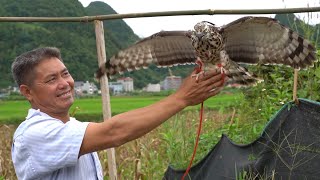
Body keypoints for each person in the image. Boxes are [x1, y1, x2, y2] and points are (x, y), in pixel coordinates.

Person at [11, 47, 225, 180]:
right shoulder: (33, 134)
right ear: (27, 92)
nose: (64, 84)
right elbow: (114, 132)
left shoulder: (72, 127)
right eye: (51, 79)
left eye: (65, 74)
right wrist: (181, 98)